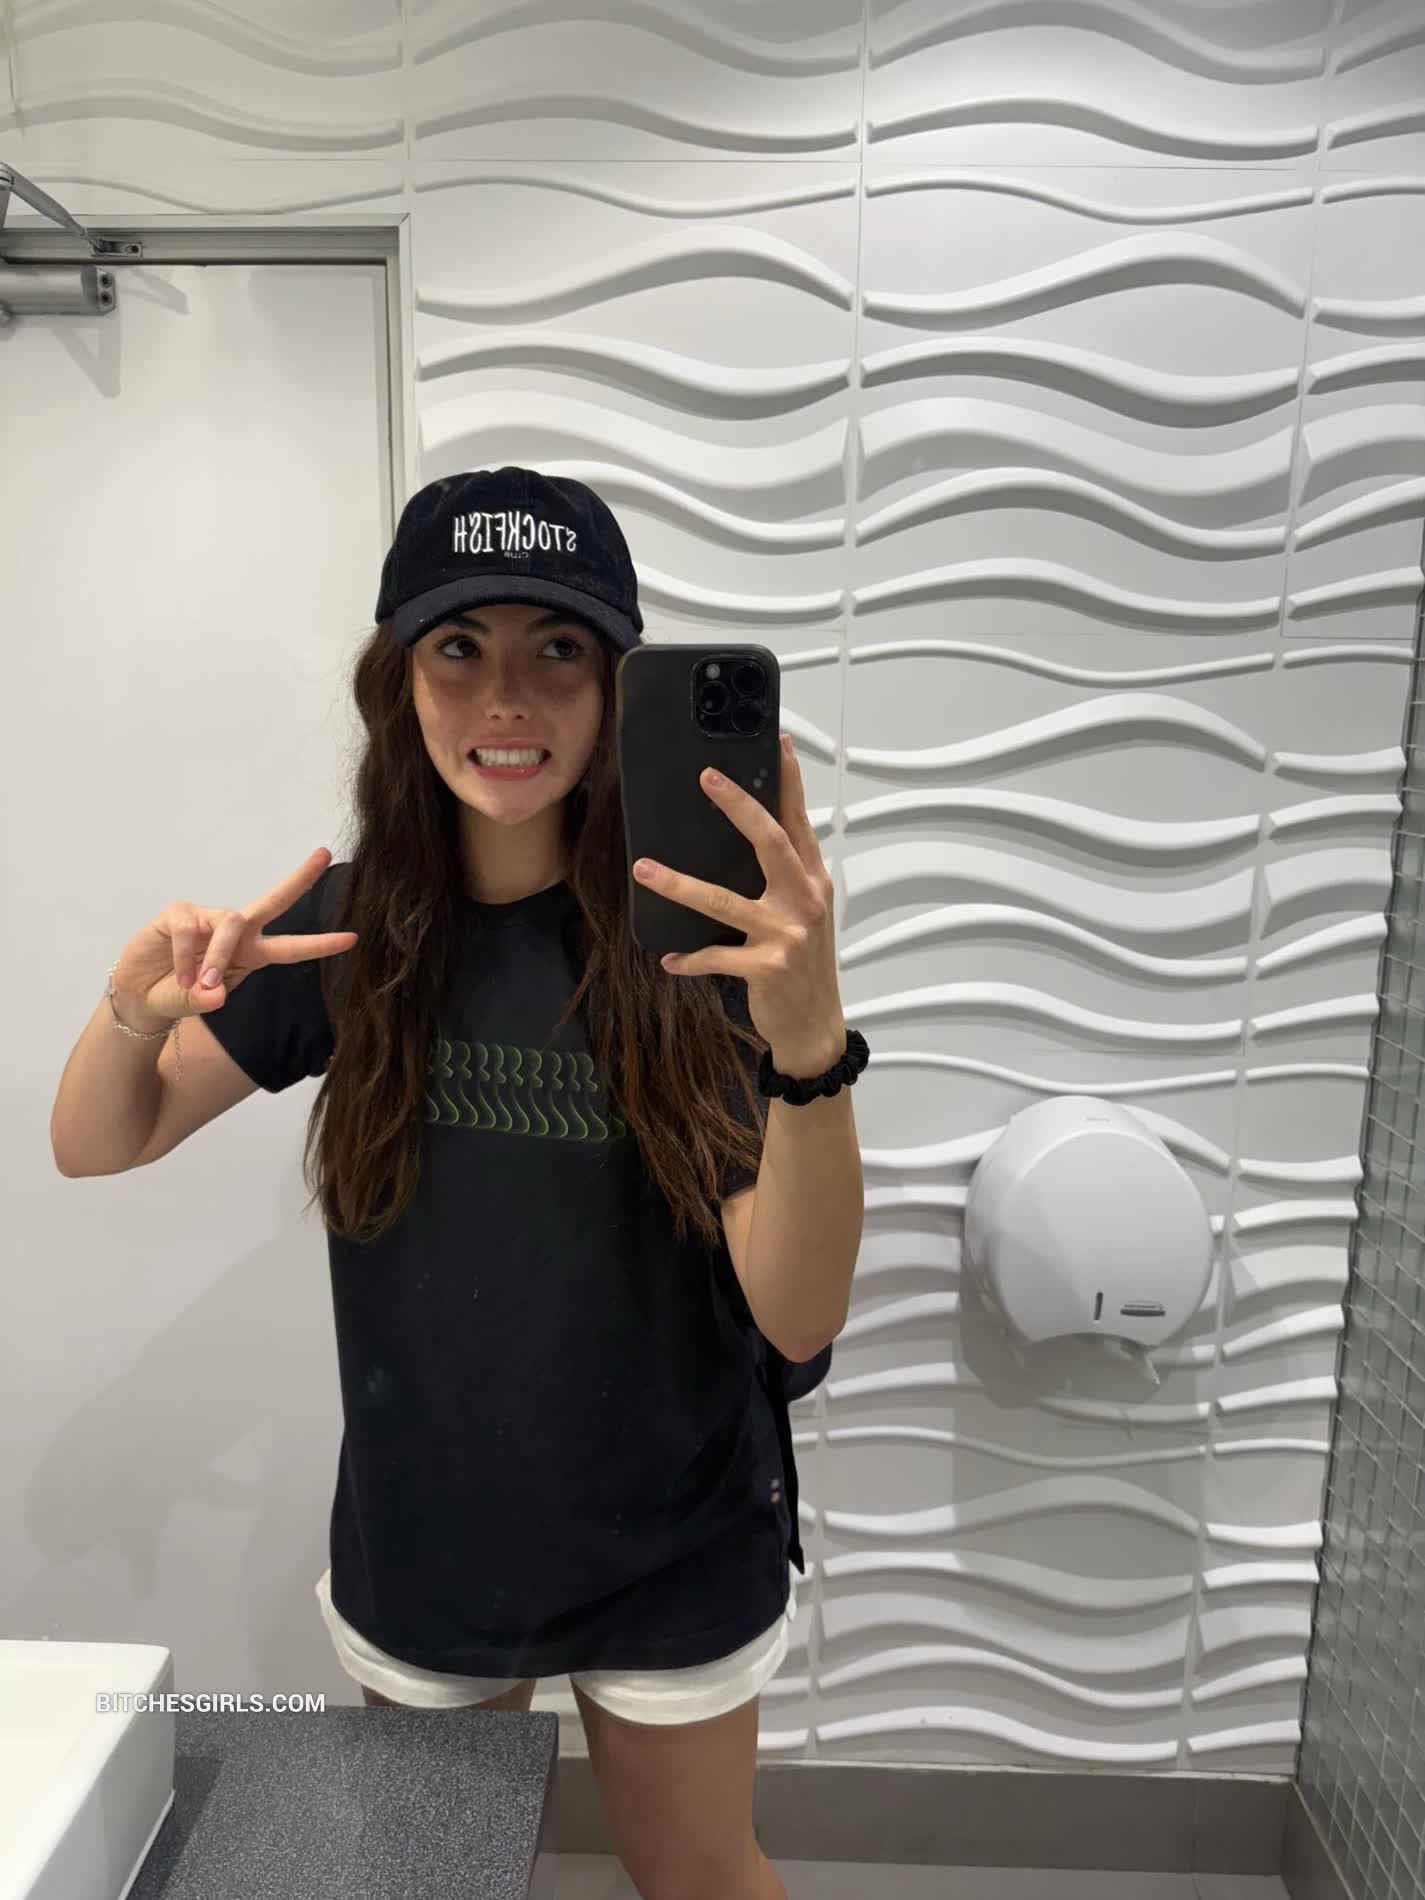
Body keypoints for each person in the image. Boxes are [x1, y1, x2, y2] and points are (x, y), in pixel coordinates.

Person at [60, 466, 868, 1900]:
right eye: (459, 647)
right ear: (401, 683)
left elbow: (796, 1317)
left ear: (616, 687)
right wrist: (133, 1006)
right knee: (431, 1879)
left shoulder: (702, 942)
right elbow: (98, 1140)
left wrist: (809, 1046)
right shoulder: (347, 933)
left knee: (701, 1877)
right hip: (433, 1541)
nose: (507, 698)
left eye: (557, 650)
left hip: (678, 1536)